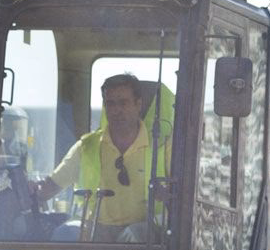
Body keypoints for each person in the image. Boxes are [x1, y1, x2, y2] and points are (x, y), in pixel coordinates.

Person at [34, 73, 173, 235]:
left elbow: (180, 199)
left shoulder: (163, 146)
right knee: (63, 234)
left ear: (138, 104)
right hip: (95, 232)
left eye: (123, 103)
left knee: (136, 234)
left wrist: (166, 194)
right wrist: (31, 190)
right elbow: (51, 186)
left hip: (145, 238)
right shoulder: (87, 147)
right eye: (111, 104)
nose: (117, 110)